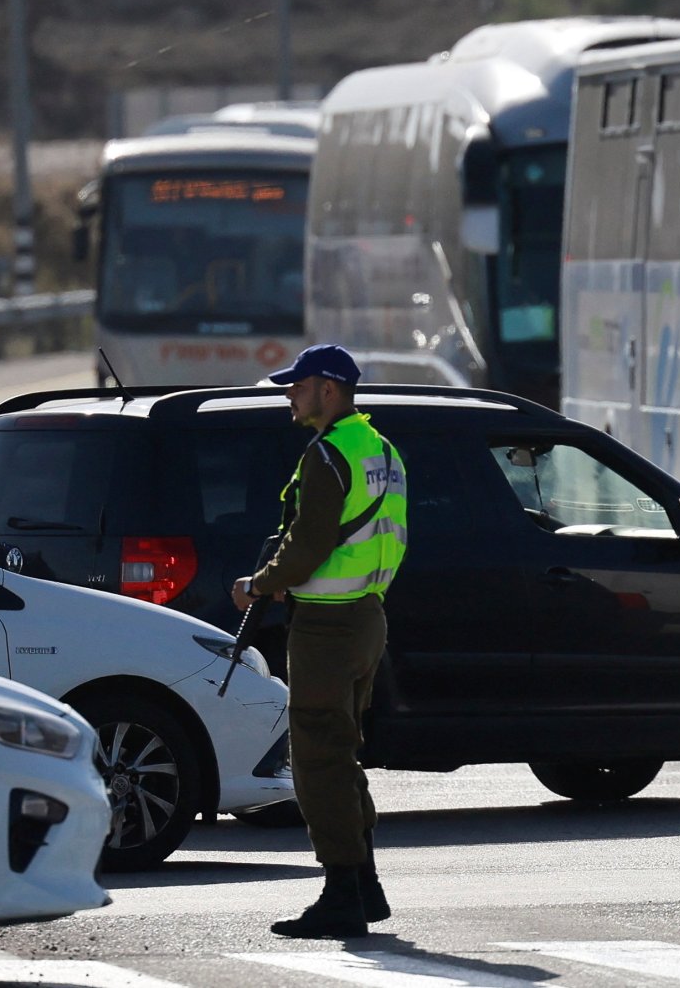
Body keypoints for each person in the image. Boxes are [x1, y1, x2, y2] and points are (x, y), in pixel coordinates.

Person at [230, 343, 409, 938]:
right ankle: (364, 885)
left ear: (328, 389)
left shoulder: (328, 454)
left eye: (298, 385)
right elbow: (386, 537)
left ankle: (341, 894)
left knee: (316, 758)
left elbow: (307, 545)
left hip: (329, 626)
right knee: (342, 750)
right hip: (367, 616)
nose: (289, 394)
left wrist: (259, 584)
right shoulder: (381, 449)